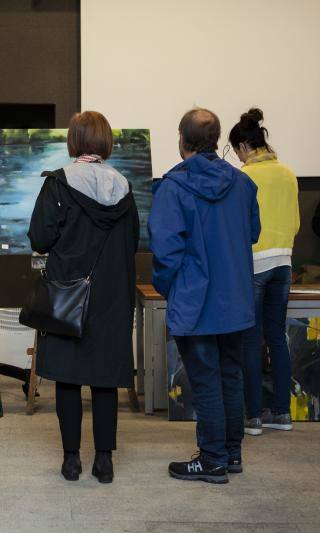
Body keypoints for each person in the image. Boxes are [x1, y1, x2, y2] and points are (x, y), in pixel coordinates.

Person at [149, 108, 260, 484]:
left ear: (182, 140)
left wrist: (169, 287)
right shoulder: (243, 185)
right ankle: (230, 454)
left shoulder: (173, 188)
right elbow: (253, 233)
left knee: (208, 382)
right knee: (231, 376)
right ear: (215, 141)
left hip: (195, 302)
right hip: (236, 300)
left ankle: (211, 459)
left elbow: (164, 252)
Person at [27, 111, 139, 484]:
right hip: (111, 298)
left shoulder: (58, 184)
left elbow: (40, 238)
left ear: (74, 141)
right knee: (105, 379)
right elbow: (132, 244)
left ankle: (72, 460)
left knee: (68, 378)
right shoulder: (124, 188)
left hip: (67, 297)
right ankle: (104, 460)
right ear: (105, 142)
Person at [228, 108, 300, 436]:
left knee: (250, 340)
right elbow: (296, 222)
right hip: (284, 263)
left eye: (236, 151)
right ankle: (282, 413)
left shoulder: (246, 177)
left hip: (254, 265)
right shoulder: (288, 173)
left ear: (244, 146)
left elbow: (239, 226)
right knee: (277, 338)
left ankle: (254, 416)